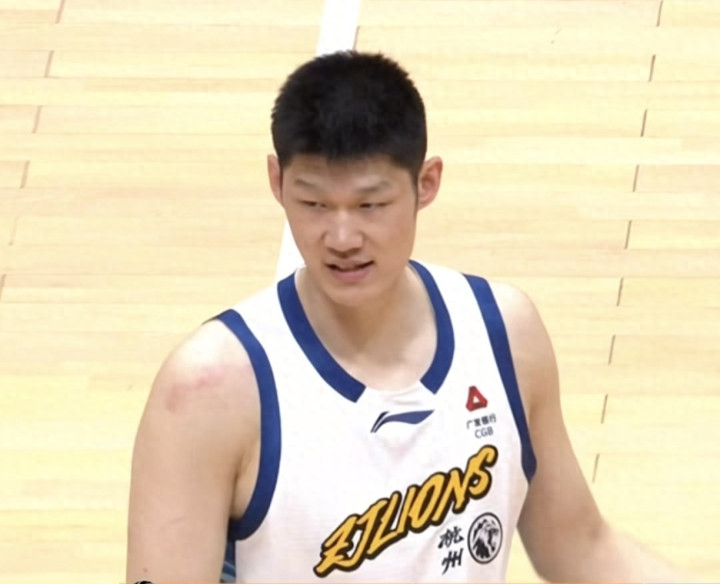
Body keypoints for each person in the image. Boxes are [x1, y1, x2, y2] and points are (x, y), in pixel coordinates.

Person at [126, 50, 685, 583]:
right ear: (277, 182)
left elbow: (580, 546)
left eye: (370, 205)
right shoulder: (209, 388)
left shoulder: (503, 334)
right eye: (314, 203)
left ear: (426, 183)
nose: (342, 237)